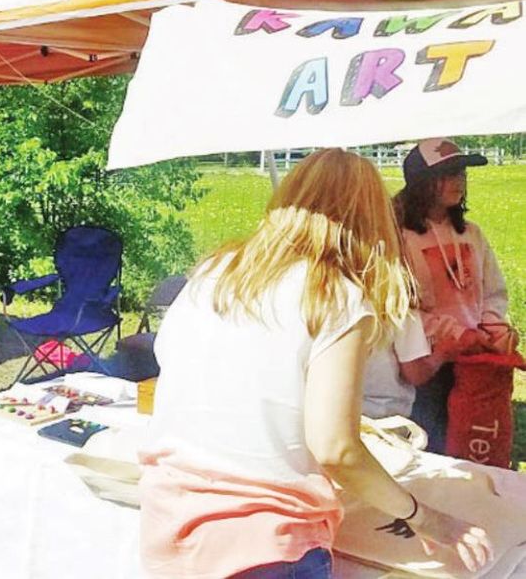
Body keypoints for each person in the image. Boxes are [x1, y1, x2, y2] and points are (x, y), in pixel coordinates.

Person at [138, 149, 491, 578]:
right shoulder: (335, 294)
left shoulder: (216, 270)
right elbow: (336, 447)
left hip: (169, 518)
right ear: (371, 219)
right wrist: (427, 519)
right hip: (266, 539)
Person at [394, 138, 512, 454]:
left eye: (461, 173)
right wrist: (454, 334)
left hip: (474, 356)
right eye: (447, 174)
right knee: (429, 437)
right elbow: (402, 307)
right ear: (421, 182)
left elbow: (494, 290)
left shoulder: (470, 232)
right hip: (427, 359)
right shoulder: (398, 236)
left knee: (471, 438)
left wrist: (491, 325)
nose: (458, 181)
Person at [361, 310, 441, 419]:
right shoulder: (400, 305)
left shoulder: (339, 299)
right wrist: (441, 355)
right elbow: (414, 374)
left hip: (341, 409)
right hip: (387, 412)